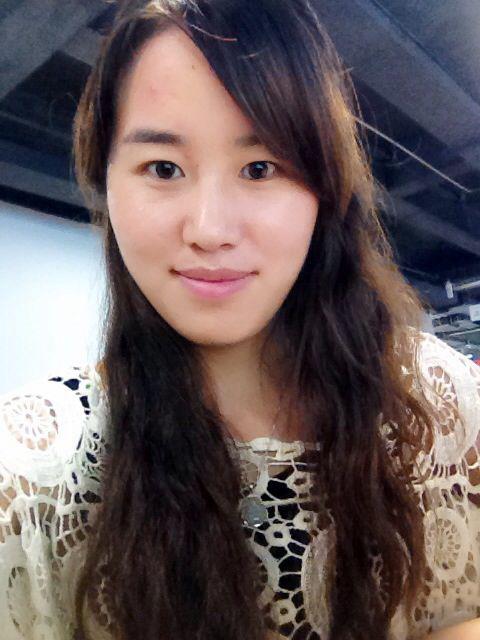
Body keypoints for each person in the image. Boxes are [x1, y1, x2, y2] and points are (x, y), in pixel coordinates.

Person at [1, 1, 480, 639]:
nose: (210, 230)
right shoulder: (34, 483)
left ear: (325, 190)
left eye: (261, 168)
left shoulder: (443, 406)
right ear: (106, 184)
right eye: (163, 168)